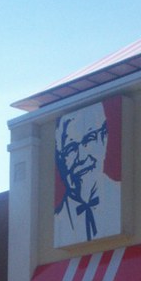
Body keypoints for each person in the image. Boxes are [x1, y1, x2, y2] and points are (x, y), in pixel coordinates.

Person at [54, 98, 122, 247]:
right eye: (71, 148)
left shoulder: (120, 198)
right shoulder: (59, 219)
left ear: (104, 138)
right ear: (60, 159)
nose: (82, 156)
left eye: (89, 139)